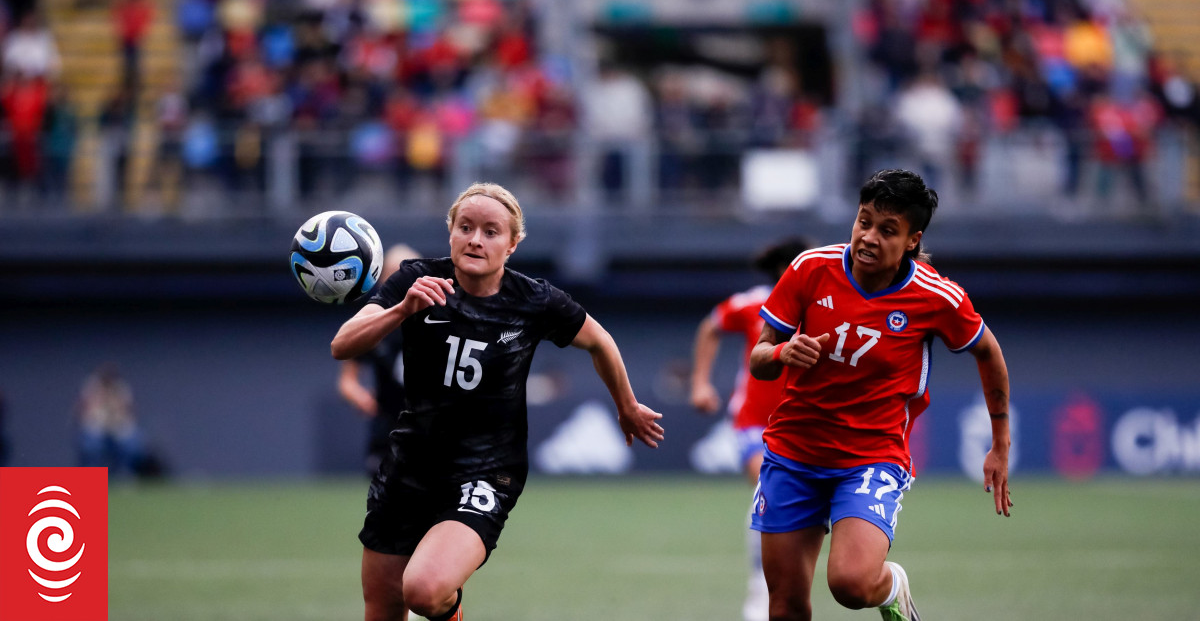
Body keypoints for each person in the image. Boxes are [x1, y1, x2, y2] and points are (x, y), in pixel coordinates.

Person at [330, 182, 664, 621]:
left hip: (485, 471)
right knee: (383, 604)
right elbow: (342, 345)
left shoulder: (534, 300)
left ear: (512, 244)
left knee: (425, 591)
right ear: (450, 230)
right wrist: (400, 311)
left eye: (491, 231)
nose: (475, 239)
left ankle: (450, 611)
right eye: (465, 227)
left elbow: (599, 341)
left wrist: (627, 405)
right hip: (410, 464)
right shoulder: (415, 280)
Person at [748, 169, 1012, 621]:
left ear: (913, 239)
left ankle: (891, 589)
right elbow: (759, 356)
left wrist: (1000, 442)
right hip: (793, 451)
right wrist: (782, 353)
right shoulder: (810, 268)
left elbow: (987, 351)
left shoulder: (936, 297)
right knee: (786, 607)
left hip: (870, 457)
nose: (868, 237)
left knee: (850, 584)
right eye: (863, 221)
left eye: (887, 230)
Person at [689, 236, 812, 621]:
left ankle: (789, 585)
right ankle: (762, 588)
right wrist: (700, 382)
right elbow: (710, 327)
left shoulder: (823, 306)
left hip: (805, 424)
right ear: (784, 270)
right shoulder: (752, 303)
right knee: (769, 490)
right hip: (754, 423)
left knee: (801, 510)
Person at [337, 243, 421, 476]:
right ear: (384, 279)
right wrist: (361, 398)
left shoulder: (440, 319)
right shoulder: (371, 325)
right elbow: (347, 380)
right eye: (395, 275)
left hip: (430, 431)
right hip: (387, 429)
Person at [76, 361, 147, 475]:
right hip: (97, 427)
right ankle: (90, 476)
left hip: (116, 427)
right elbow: (83, 411)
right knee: (91, 446)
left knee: (132, 445)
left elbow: (129, 411)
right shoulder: (92, 386)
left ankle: (124, 475)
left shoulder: (121, 388)